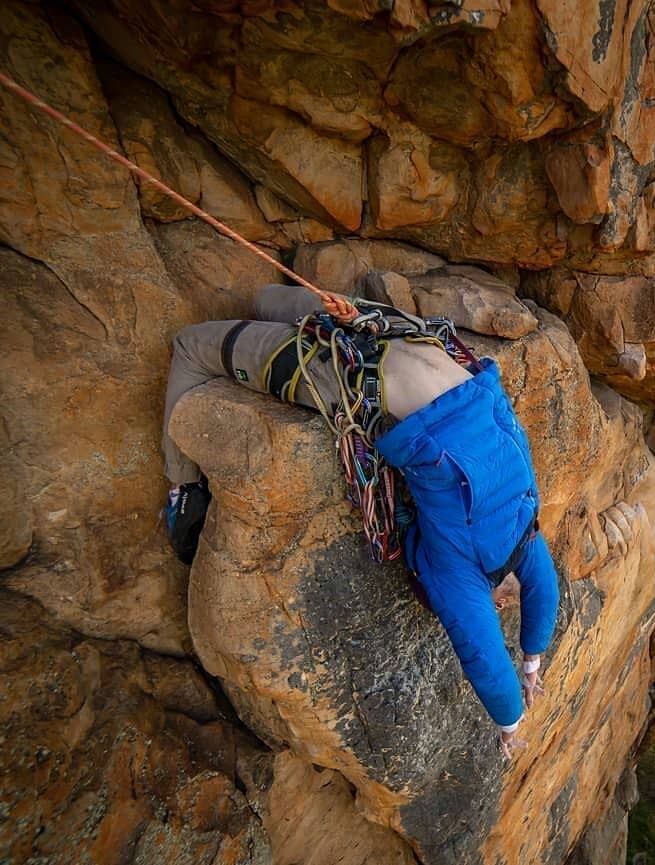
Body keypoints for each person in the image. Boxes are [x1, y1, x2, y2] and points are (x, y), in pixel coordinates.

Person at [162, 282, 560, 759]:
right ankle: (182, 491)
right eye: (500, 604)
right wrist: (509, 727)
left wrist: (533, 665)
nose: (498, 609)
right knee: (190, 346)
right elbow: (483, 657)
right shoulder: (460, 569)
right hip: (348, 372)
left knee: (269, 297)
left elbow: (545, 590)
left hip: (389, 327)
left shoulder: (526, 517)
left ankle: (269, 307)